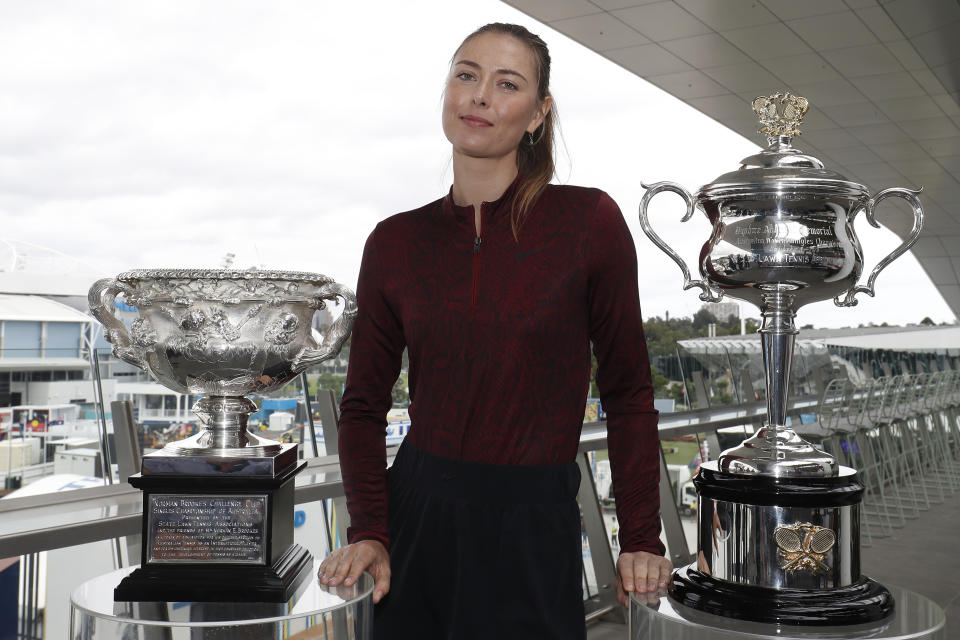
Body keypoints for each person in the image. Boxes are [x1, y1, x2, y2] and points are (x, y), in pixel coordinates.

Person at [318, 22, 671, 639]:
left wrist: (641, 536)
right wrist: (370, 531)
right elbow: (363, 406)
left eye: (507, 83)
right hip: (416, 524)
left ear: (538, 114)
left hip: (533, 528)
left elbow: (628, 393)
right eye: (466, 74)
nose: (480, 96)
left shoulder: (588, 222)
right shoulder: (395, 242)